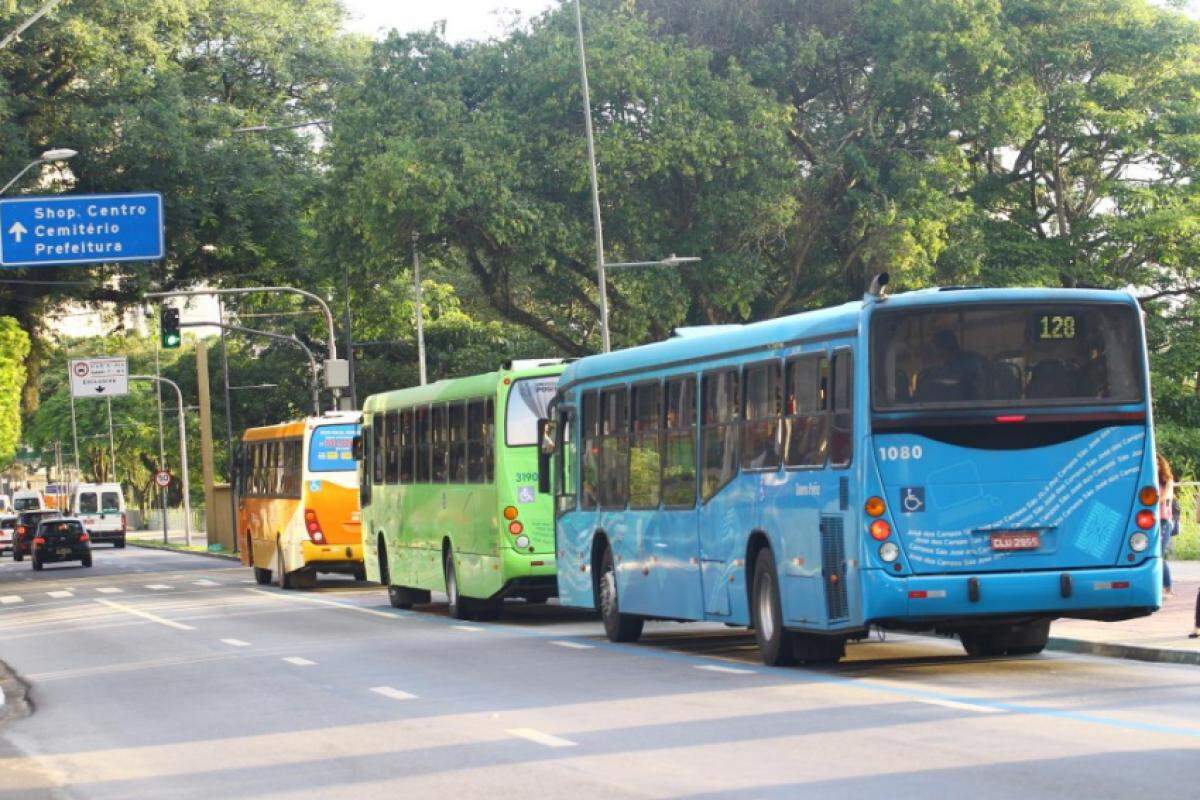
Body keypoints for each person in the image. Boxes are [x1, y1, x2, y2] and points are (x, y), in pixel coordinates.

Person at [1157, 454, 1175, 598]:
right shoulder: (1149, 480)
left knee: (1159, 554)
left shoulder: (1167, 481)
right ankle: (1160, 586)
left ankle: (1168, 587)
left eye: (1157, 464)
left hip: (1163, 521)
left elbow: (1166, 497)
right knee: (1154, 555)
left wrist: (1150, 498)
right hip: (1152, 521)